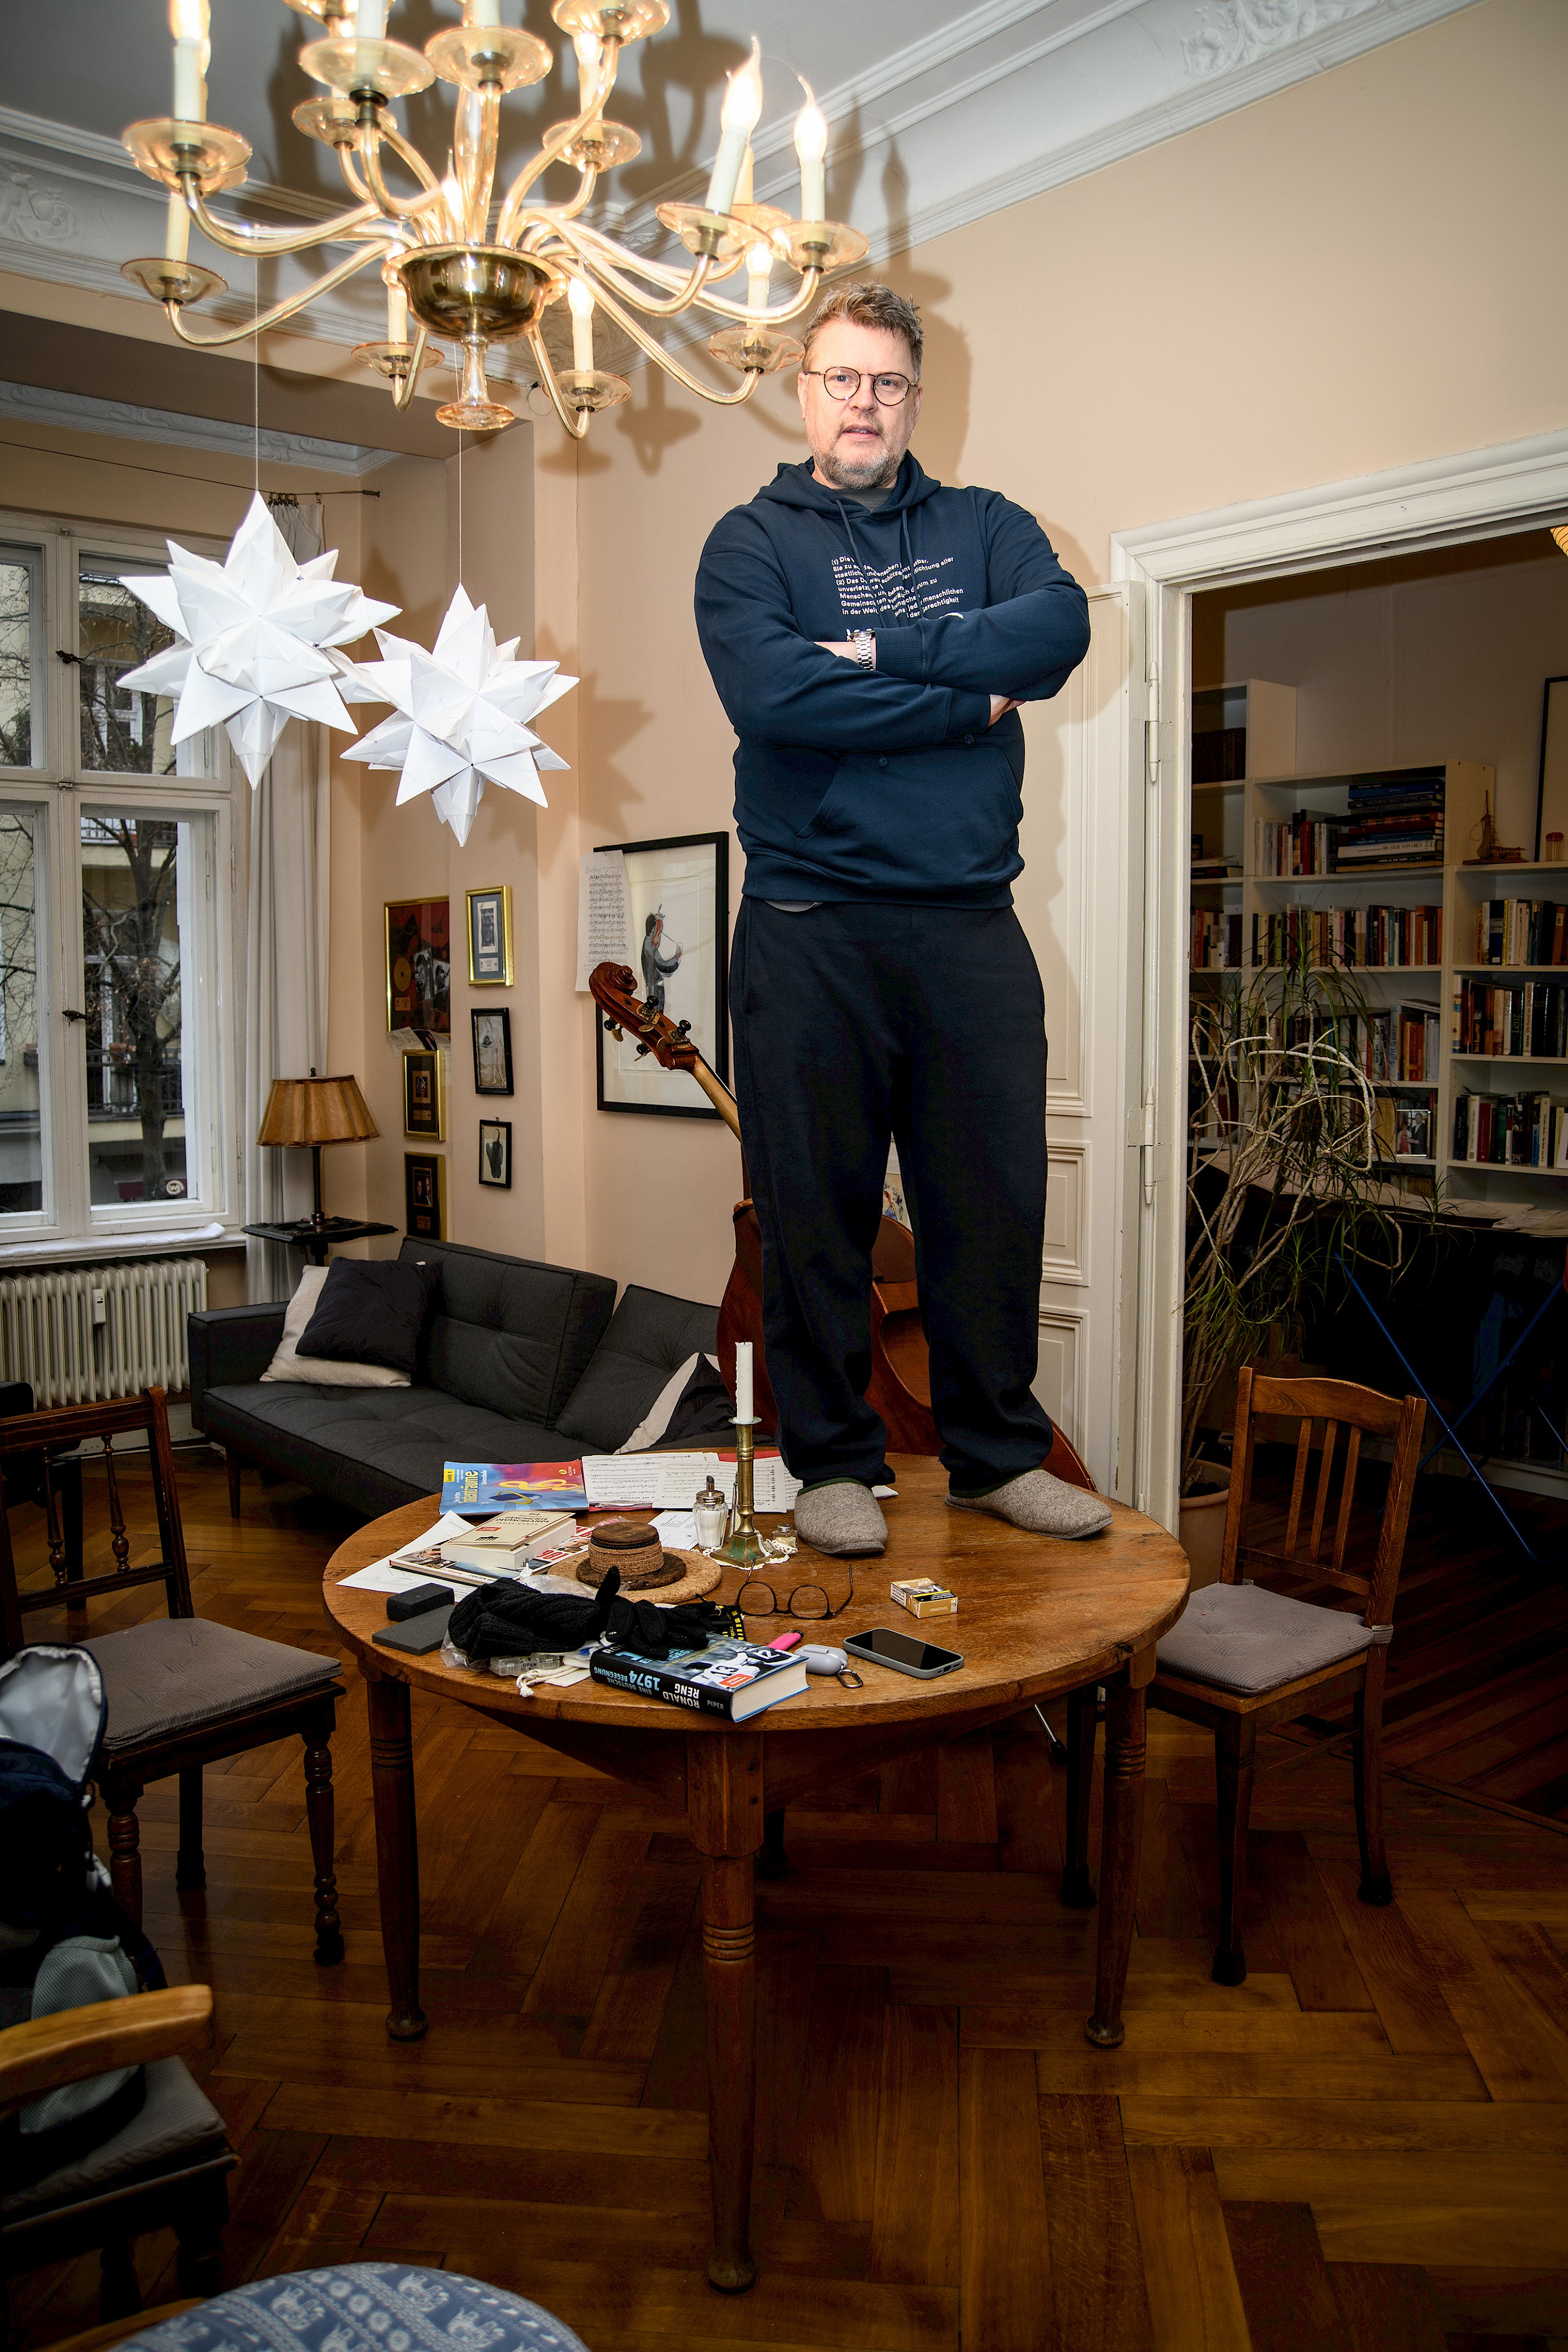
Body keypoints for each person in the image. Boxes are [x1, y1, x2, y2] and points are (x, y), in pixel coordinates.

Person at [693, 282, 1110, 1558]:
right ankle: (833, 1463)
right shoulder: (749, 544)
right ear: (803, 391)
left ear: (915, 400)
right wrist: (966, 692)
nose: (863, 403)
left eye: (886, 382)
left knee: (991, 1207)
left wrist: (876, 655)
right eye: (841, 379)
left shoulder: (989, 525)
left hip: (969, 923)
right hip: (809, 923)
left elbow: (1056, 630)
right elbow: (778, 699)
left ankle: (997, 1455)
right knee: (812, 1213)